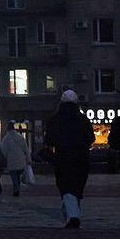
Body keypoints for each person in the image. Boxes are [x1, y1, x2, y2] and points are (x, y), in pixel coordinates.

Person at [46, 89, 93, 227]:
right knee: (77, 187)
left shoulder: (55, 119)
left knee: (65, 186)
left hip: (62, 157)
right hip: (81, 158)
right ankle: (73, 214)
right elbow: (91, 138)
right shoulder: (83, 119)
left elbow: (49, 140)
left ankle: (72, 215)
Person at [2, 125, 31, 198]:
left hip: (11, 160)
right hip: (21, 159)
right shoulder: (20, 137)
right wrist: (28, 158)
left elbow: (4, 150)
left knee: (13, 175)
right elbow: (26, 148)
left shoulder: (6, 138)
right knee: (18, 175)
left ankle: (16, 189)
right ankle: (17, 187)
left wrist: (5, 158)